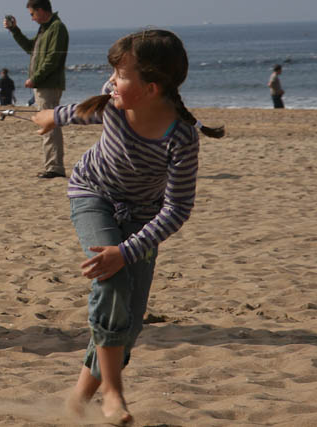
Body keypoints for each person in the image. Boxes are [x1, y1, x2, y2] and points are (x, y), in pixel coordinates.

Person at [31, 29, 224, 425]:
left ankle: (78, 400)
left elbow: (177, 209)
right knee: (112, 284)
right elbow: (91, 108)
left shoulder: (181, 137)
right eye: (114, 73)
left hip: (143, 216)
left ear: (152, 88)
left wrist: (127, 251)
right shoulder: (117, 100)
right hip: (92, 195)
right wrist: (53, 116)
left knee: (131, 323)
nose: (112, 82)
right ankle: (112, 393)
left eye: (121, 76)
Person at [4, 0, 69, 178]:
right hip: (43, 84)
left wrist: (35, 78)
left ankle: (55, 167)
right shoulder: (45, 29)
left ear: (41, 11)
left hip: (48, 85)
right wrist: (15, 30)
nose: (32, 18)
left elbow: (53, 59)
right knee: (48, 123)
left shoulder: (57, 28)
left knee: (49, 124)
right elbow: (31, 49)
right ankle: (52, 166)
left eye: (32, 14)